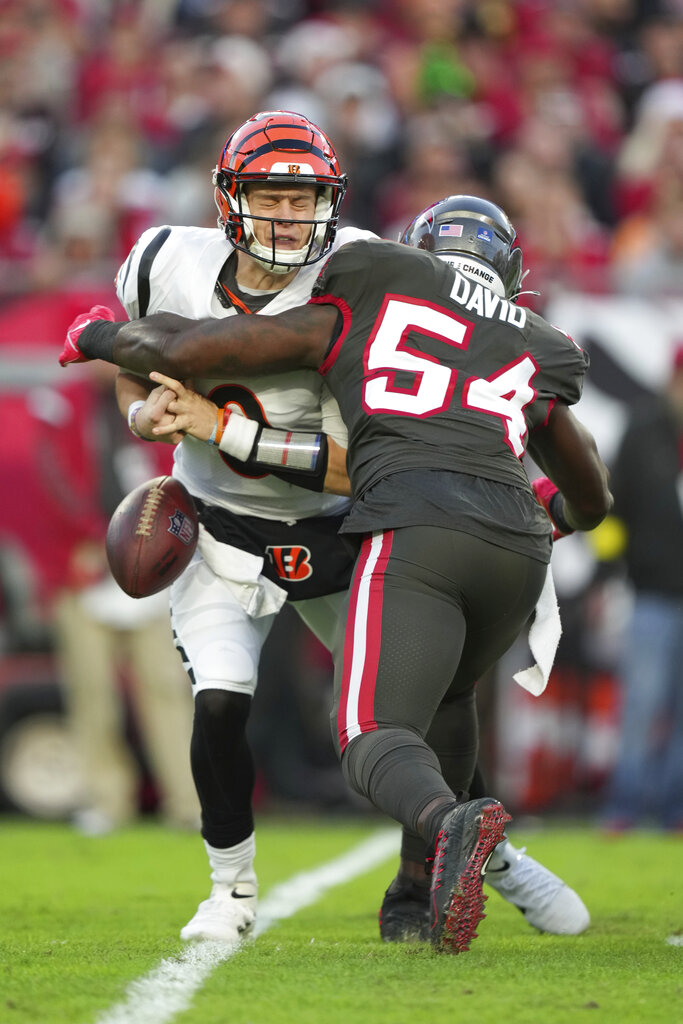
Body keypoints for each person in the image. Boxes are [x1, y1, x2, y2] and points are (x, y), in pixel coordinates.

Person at [60, 192, 612, 952]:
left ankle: (462, 857)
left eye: (301, 199)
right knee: (231, 699)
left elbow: (355, 459)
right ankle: (233, 885)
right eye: (270, 197)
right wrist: (135, 404)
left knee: (388, 720)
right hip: (238, 525)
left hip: (348, 525)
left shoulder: (359, 273)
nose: (286, 218)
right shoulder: (174, 258)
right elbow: (576, 482)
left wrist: (105, 340)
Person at [30, 361, 199, 834]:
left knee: (166, 686)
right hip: (81, 566)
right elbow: (49, 477)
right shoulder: (62, 404)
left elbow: (176, 478)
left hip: (147, 566)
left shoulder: (158, 400)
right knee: (92, 691)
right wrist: (87, 539)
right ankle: (106, 798)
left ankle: (187, 801)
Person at [601, 344, 683, 832]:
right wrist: (610, 571)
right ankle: (625, 805)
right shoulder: (643, 430)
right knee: (641, 705)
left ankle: (675, 810)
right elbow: (610, 507)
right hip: (651, 593)